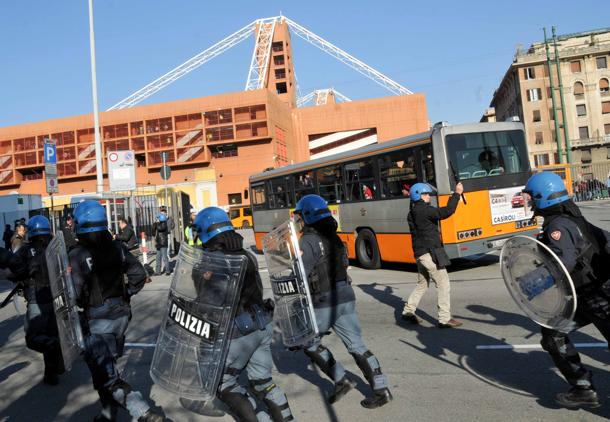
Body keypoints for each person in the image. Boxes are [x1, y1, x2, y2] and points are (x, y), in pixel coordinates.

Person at [184, 207, 294, 421]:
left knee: (223, 384)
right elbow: (258, 290)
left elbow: (210, 304)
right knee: (263, 382)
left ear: (206, 231)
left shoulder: (209, 261)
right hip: (260, 325)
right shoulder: (247, 256)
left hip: (235, 333)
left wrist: (188, 311)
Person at [294, 194, 392, 409]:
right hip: (345, 296)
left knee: (307, 342)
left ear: (307, 216)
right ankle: (382, 389)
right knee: (357, 345)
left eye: (300, 217)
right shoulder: (335, 237)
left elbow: (299, 273)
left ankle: (341, 380)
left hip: (324, 301)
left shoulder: (308, 240)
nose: (299, 221)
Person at [522, 172, 610, 408]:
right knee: (554, 334)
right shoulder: (572, 216)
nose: (529, 202)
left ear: (542, 197)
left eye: (531, 197)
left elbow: (561, 266)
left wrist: (533, 282)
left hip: (598, 299)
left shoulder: (558, 225)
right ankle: (582, 388)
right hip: (581, 301)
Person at [69, 200, 162, 421]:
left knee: (107, 376)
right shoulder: (118, 247)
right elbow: (139, 275)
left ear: (80, 224)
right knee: (104, 369)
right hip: (121, 315)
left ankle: (144, 413)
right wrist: (126, 293)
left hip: (97, 319)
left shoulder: (78, 253)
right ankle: (107, 416)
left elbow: (73, 292)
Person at [401, 182, 464, 328]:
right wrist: (457, 193)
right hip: (428, 253)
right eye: (426, 194)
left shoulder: (412, 212)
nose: (428, 196)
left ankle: (408, 311)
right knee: (443, 282)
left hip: (420, 254)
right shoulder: (424, 210)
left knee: (422, 283)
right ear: (418, 195)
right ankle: (444, 319)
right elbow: (446, 212)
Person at [11, 216, 65, 385]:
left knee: (34, 337)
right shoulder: (56, 248)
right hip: (58, 298)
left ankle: (56, 357)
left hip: (37, 299)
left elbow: (13, 273)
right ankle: (52, 373)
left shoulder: (26, 250)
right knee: (52, 335)